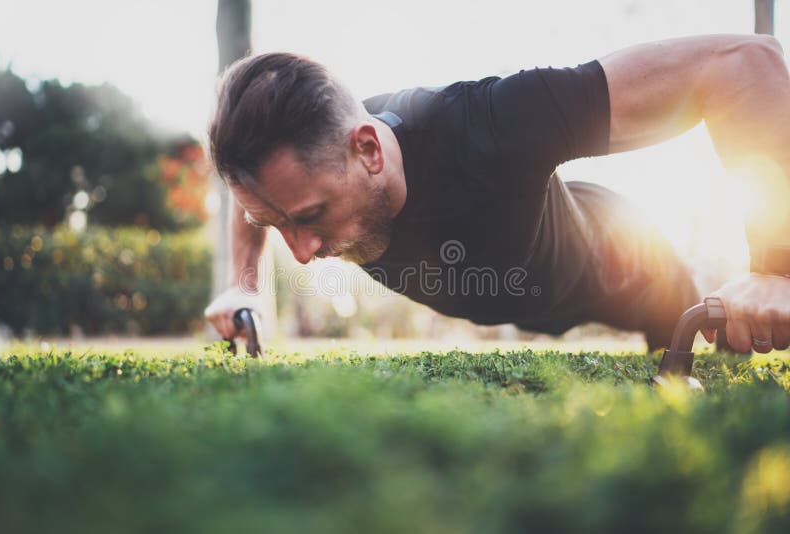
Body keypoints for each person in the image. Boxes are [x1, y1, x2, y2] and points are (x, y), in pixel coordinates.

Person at [205, 34, 790, 354]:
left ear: (369, 150)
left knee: (706, 365)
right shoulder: (301, 166)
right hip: (521, 297)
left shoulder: (492, 126)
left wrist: (776, 270)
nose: (301, 251)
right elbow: (258, 196)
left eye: (311, 217)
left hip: (626, 264)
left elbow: (743, 65)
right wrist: (244, 284)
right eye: (278, 221)